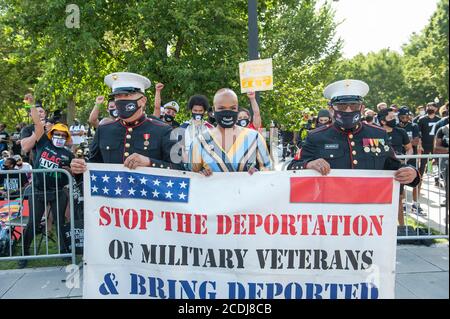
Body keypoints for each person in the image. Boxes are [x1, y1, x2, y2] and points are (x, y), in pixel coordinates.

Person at [287, 79, 420, 232]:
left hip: (369, 218)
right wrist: (308, 164)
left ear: (362, 108)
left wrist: (411, 173)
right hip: (330, 218)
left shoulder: (378, 134)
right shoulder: (317, 136)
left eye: (354, 105)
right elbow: (292, 168)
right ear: (331, 109)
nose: (349, 110)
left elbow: (391, 165)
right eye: (342, 106)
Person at [70, 72, 183, 174]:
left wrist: (149, 162)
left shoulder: (163, 131)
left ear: (143, 101)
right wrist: (79, 168)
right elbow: (93, 164)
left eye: (127, 95)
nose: (121, 100)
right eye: (117, 96)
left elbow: (180, 169)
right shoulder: (104, 130)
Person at [19, 103, 74, 268]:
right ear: (51, 134)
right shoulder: (43, 142)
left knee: (60, 223)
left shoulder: (68, 154)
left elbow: (74, 173)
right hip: (38, 191)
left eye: (63, 135)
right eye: (56, 134)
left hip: (58, 192)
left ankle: (65, 252)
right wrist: (31, 104)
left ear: (66, 138)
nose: (59, 137)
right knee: (32, 224)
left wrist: (69, 170)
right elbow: (37, 124)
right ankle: (24, 254)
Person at [188, 88, 272, 175]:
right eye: (221, 108)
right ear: (213, 110)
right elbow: (192, 175)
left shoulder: (254, 137)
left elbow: (268, 169)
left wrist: (258, 173)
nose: (227, 112)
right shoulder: (200, 141)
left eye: (232, 108)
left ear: (237, 109)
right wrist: (202, 174)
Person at [378, 107, 415, 224]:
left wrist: (404, 160)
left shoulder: (401, 132)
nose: (394, 119)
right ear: (383, 121)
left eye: (395, 117)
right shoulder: (375, 132)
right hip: (380, 171)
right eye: (391, 118)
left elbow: (409, 149)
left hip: (397, 171)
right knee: (379, 199)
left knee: (398, 199)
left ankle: (401, 227)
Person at [397, 106, 423, 214]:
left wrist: (402, 142)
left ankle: (415, 204)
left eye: (407, 116)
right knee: (400, 180)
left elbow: (416, 141)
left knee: (415, 180)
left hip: (411, 156)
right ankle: (401, 203)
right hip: (399, 156)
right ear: (399, 116)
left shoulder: (414, 125)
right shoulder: (395, 127)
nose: (405, 118)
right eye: (403, 116)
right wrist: (407, 142)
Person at [179, 95, 214, 163]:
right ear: (191, 110)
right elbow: (180, 149)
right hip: (186, 166)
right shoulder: (183, 127)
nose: (197, 113)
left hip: (206, 166)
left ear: (204, 111)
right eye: (195, 110)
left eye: (200, 111)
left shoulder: (210, 128)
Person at [417, 101, 441, 191]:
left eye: (432, 106)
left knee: (437, 163)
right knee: (422, 164)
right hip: (425, 145)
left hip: (435, 145)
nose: (430, 108)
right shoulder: (422, 119)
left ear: (436, 109)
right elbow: (419, 134)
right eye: (428, 106)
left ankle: (437, 180)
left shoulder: (439, 119)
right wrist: (420, 144)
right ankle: (419, 181)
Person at [20, 96, 47, 165]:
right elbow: (25, 148)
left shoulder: (53, 126)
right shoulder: (27, 129)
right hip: (38, 167)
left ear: (45, 114)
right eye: (36, 112)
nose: (39, 114)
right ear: (31, 115)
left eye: (41, 111)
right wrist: (39, 129)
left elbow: (69, 142)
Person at [434, 124, 449, 209]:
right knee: (448, 184)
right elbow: (436, 148)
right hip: (445, 162)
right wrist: (447, 150)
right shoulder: (442, 130)